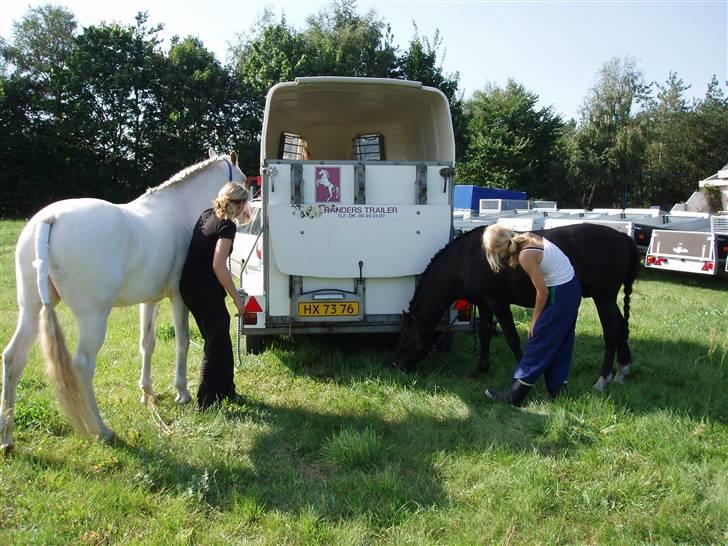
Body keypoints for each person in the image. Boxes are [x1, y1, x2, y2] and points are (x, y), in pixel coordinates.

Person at [481, 225, 582, 406]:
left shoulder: (525, 255)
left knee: (539, 338)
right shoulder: (527, 237)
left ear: (498, 248)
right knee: (560, 339)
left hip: (562, 291)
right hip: (570, 286)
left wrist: (534, 320)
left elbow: (541, 292)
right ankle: (558, 390)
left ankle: (515, 396)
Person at [180, 182, 252, 409]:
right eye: (244, 205)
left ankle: (227, 389)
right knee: (215, 341)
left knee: (219, 336)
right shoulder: (227, 225)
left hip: (189, 286)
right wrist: (237, 299)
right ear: (239, 204)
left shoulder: (207, 215)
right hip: (204, 289)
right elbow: (219, 265)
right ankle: (207, 402)